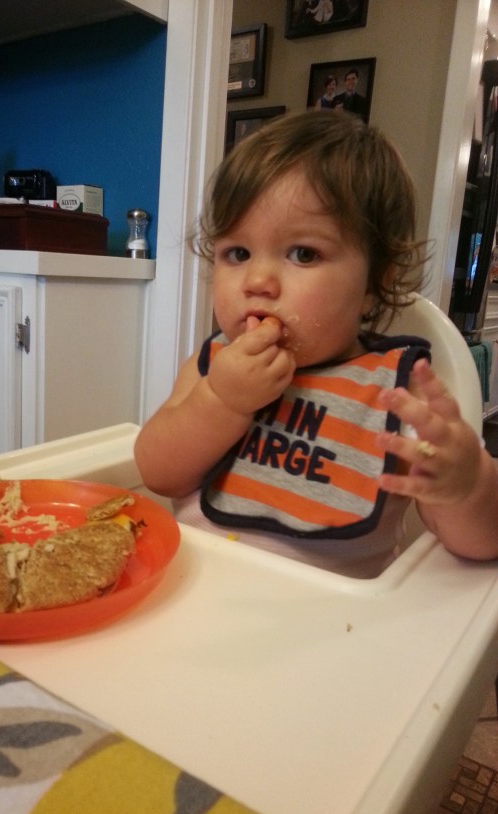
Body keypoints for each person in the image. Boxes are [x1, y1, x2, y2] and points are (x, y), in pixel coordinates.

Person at [134, 110, 498, 578]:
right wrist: (221, 401)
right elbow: (157, 473)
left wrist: (467, 486)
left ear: (376, 283)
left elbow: (480, 544)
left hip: (332, 615)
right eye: (237, 253)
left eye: (303, 254)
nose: (258, 281)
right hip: (193, 588)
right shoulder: (213, 366)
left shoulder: (398, 394)